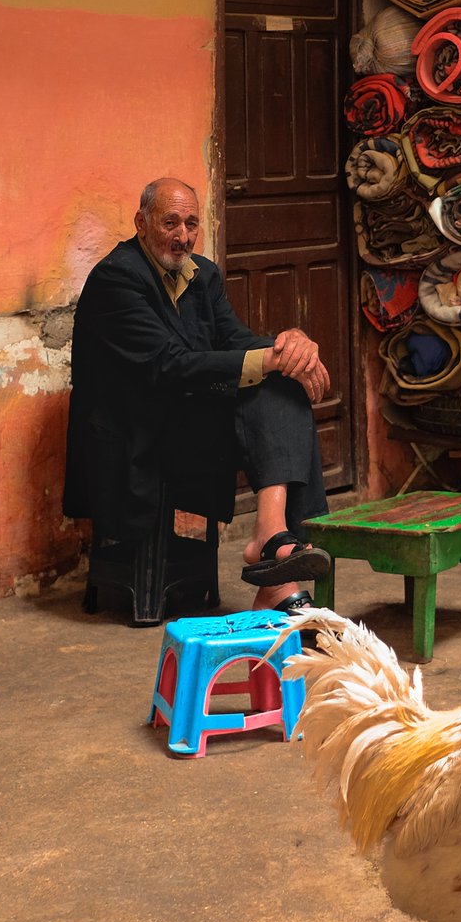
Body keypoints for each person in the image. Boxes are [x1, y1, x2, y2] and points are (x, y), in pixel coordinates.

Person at [63, 177, 331, 614]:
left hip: (181, 425)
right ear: (142, 223)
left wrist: (291, 346)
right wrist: (272, 360)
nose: (183, 235)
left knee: (282, 383)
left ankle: (272, 539)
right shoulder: (117, 278)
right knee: (271, 376)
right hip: (132, 439)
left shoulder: (202, 275)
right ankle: (278, 559)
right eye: (170, 222)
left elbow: (235, 340)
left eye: (191, 224)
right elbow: (167, 364)